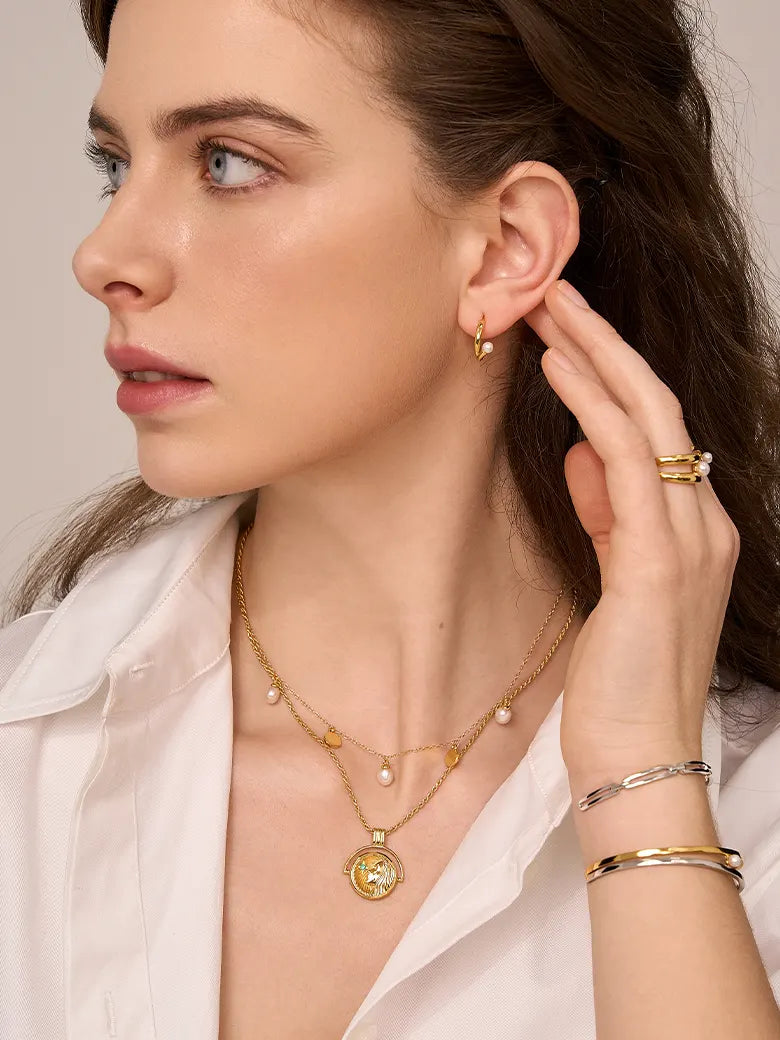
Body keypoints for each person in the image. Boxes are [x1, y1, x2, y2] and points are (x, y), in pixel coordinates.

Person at [2, 0, 779, 1037]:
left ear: (507, 246)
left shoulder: (753, 799)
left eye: (228, 162)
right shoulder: (27, 756)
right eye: (116, 163)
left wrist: (642, 773)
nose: (104, 255)